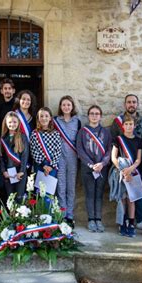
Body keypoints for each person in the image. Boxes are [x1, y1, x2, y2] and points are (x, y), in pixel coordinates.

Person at [110, 94, 142, 227]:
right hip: (123, 166)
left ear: (137, 104)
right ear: (125, 104)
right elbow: (114, 141)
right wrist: (122, 167)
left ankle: (139, 221)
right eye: (129, 102)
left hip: (139, 164)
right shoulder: (117, 122)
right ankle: (125, 221)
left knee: (138, 193)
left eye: (134, 102)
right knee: (124, 196)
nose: (131, 104)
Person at [76, 105, 112, 233]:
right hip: (88, 169)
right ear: (88, 116)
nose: (94, 116)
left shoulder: (106, 132)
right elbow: (80, 150)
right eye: (92, 113)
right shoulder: (83, 131)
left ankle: (98, 220)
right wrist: (91, 165)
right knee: (90, 194)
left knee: (99, 195)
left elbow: (109, 150)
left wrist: (102, 163)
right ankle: (91, 219)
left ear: (100, 116)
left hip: (102, 168)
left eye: (97, 113)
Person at [110, 113, 142, 238]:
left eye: (131, 124)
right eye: (126, 124)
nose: (129, 126)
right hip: (121, 173)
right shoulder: (118, 139)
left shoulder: (139, 140)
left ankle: (131, 223)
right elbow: (113, 157)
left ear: (134, 126)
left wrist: (130, 170)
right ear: (123, 126)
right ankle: (123, 222)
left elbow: (138, 160)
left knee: (131, 199)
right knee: (122, 198)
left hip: (133, 173)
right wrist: (123, 171)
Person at [53, 96, 81, 226]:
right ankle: (62, 214)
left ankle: (70, 215)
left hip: (73, 158)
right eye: (63, 105)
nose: (66, 107)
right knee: (61, 187)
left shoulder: (77, 122)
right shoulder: (55, 121)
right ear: (60, 106)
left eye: (68, 105)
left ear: (72, 107)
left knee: (71, 187)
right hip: (59, 158)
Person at [0, 111, 30, 202]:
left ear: (18, 123)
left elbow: (25, 155)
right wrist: (4, 171)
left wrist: (21, 171)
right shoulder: (3, 138)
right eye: (9, 122)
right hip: (8, 173)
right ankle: (11, 216)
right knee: (11, 198)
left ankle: (20, 216)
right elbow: (1, 156)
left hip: (20, 172)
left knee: (19, 198)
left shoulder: (22, 137)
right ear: (6, 123)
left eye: (14, 122)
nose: (12, 124)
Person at [30, 107, 62, 178]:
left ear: (50, 118)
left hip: (52, 166)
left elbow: (58, 151)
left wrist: (51, 166)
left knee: (50, 188)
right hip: (40, 165)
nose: (44, 118)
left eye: (46, 116)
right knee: (40, 188)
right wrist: (44, 165)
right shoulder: (34, 134)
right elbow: (34, 151)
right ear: (38, 118)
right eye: (41, 116)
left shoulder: (56, 134)